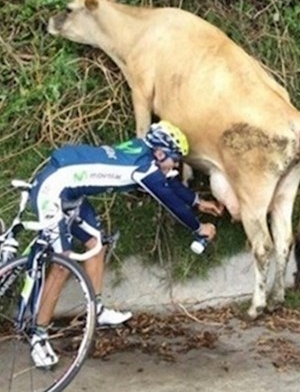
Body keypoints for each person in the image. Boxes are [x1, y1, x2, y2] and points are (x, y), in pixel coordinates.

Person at [29, 120, 223, 368]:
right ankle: (39, 337)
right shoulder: (142, 168)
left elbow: (168, 183)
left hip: (72, 192)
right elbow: (169, 201)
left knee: (96, 243)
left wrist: (197, 201)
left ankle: (95, 310)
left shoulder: (143, 149)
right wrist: (199, 227)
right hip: (53, 189)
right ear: (160, 153)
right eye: (174, 159)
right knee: (62, 264)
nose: (176, 165)